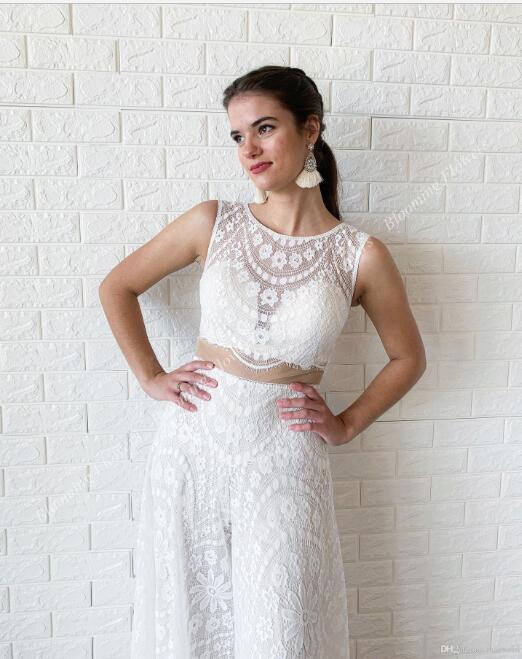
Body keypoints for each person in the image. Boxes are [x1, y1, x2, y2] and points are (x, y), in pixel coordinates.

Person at [99, 65, 426, 658]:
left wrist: (346, 424)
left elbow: (407, 357)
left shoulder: (360, 255)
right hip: (194, 441)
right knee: (193, 617)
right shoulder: (212, 221)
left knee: (282, 628)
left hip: (286, 452)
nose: (248, 149)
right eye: (237, 135)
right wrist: (151, 376)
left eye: (265, 128)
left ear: (310, 130)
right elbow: (117, 286)